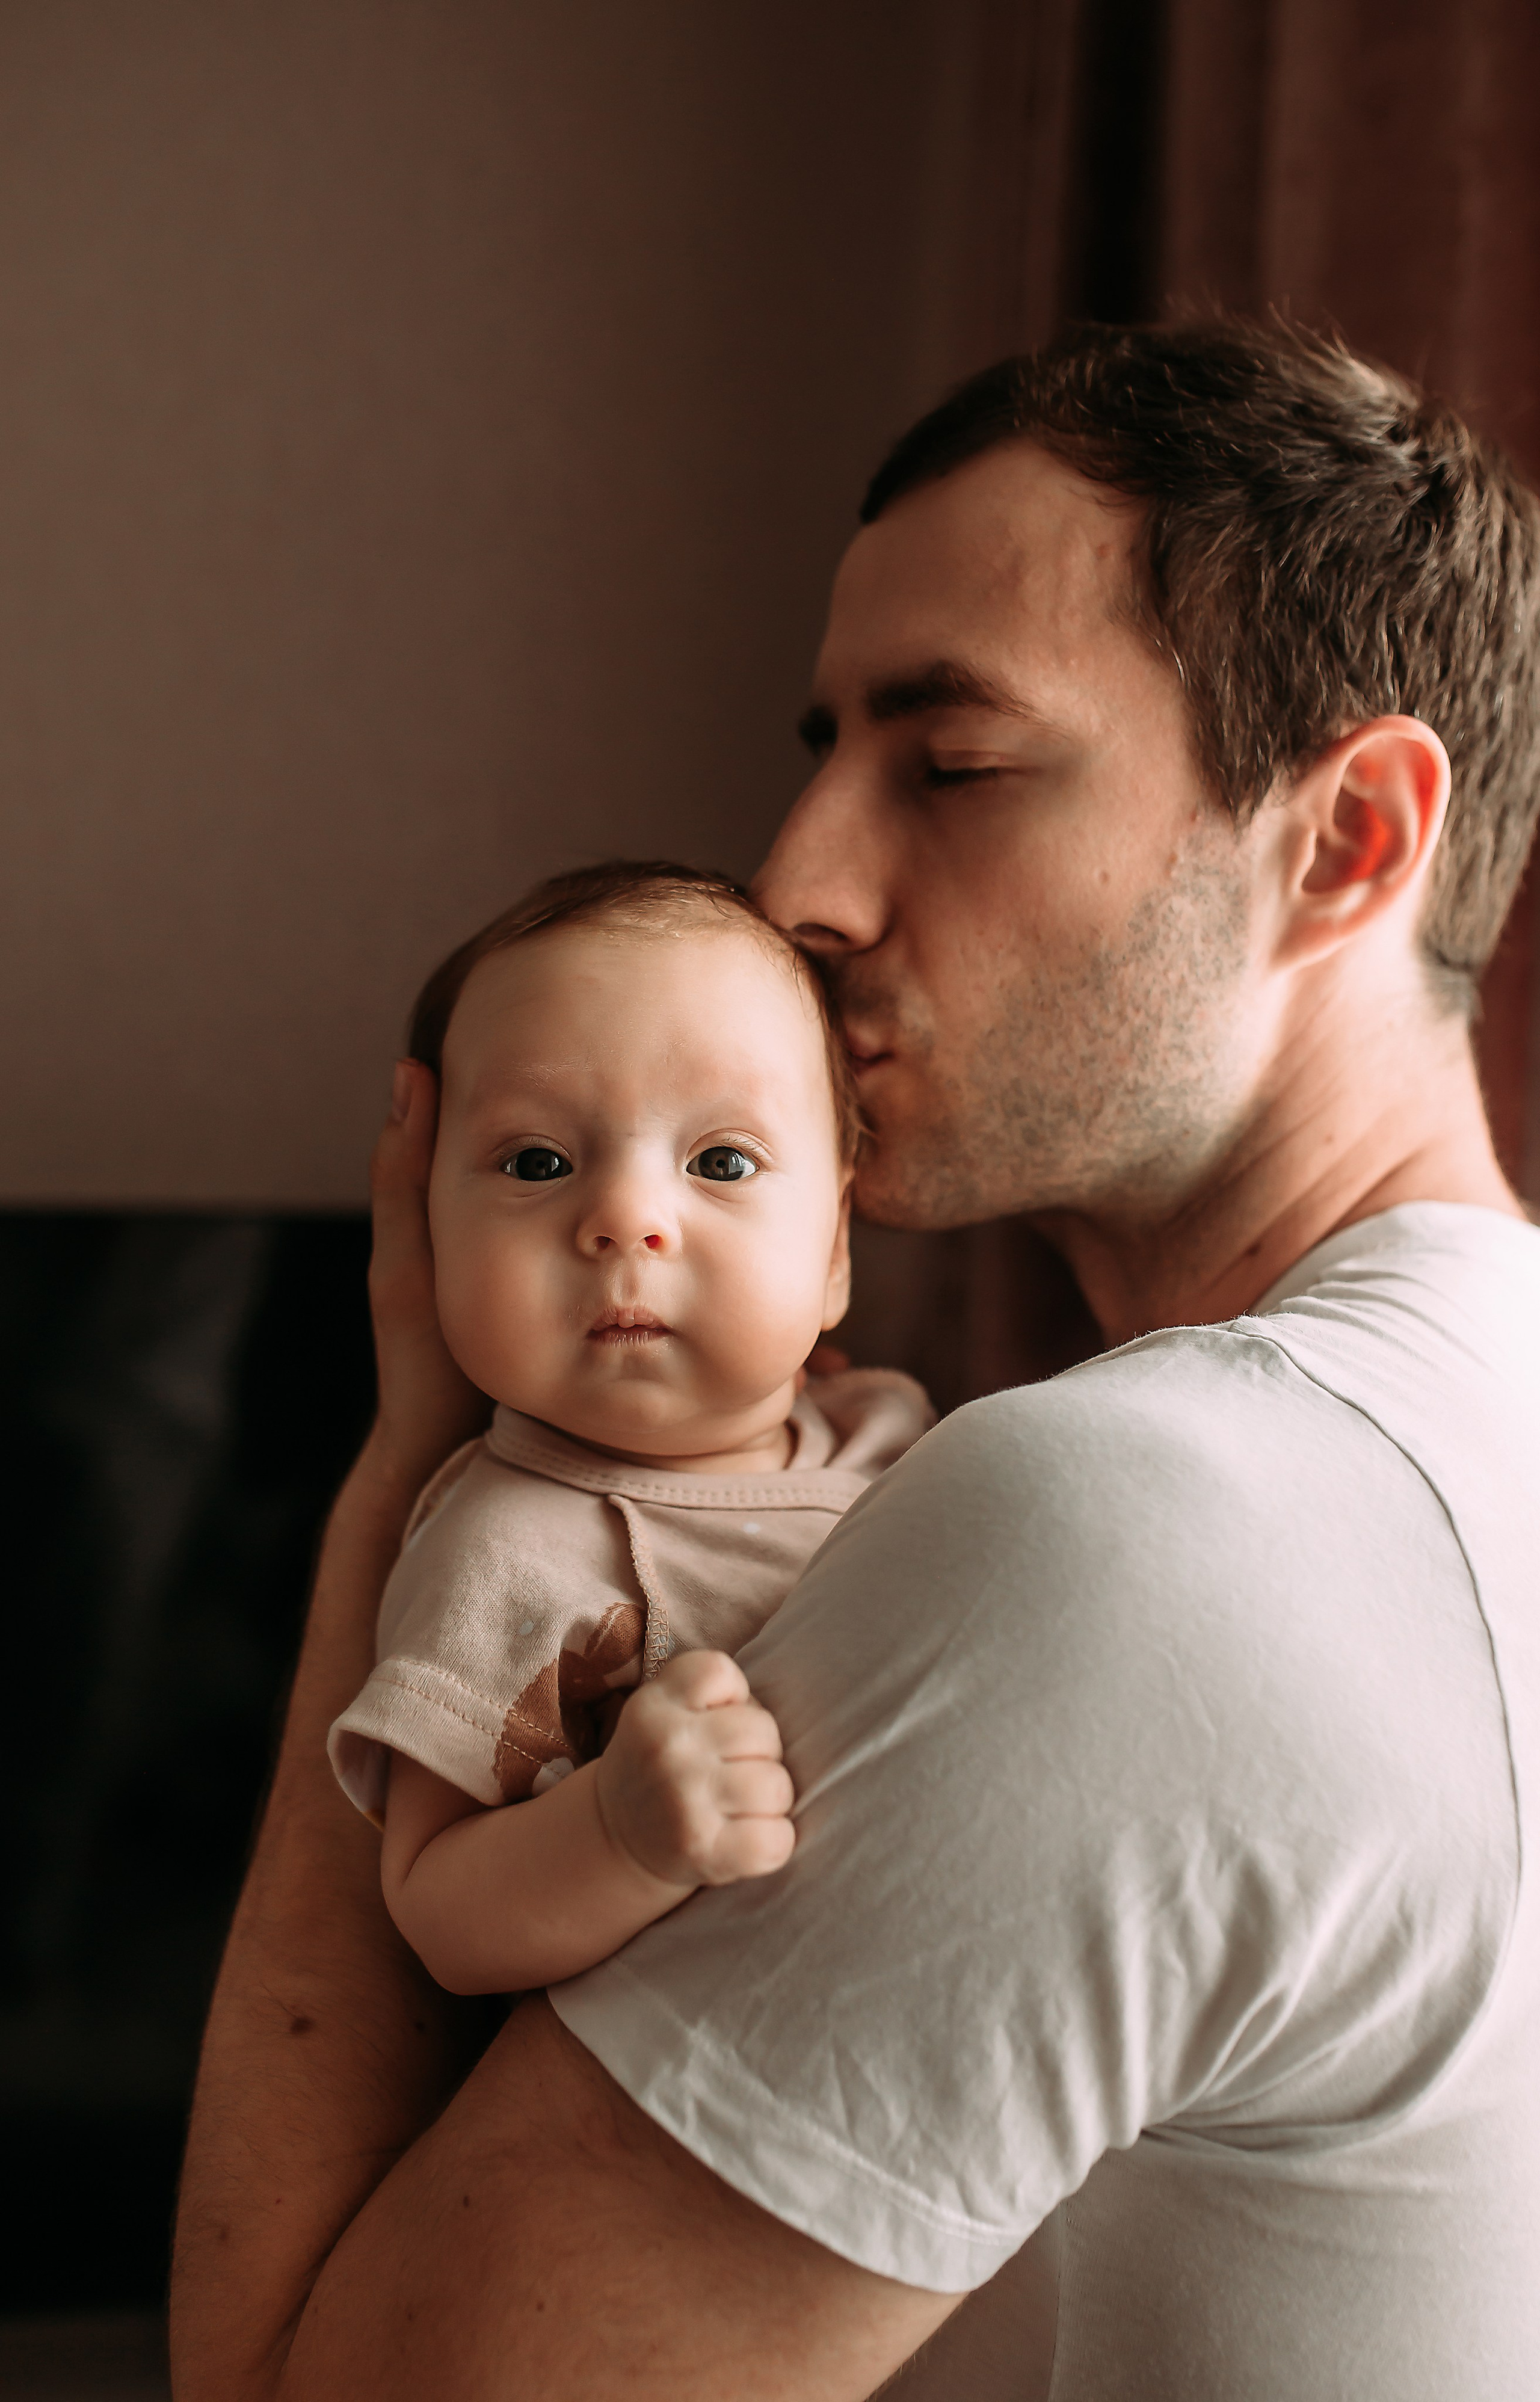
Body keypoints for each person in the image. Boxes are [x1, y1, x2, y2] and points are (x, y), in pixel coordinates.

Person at [171, 316, 1540, 2401]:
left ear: (1349, 835)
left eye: (955, 761)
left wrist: (426, 1466)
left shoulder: (1148, 1529)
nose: (794, 882)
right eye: (818, 748)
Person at [326, 861, 930, 1995]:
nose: (626, 1219)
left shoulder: (890, 1431)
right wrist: (616, 1835)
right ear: (430, 1230)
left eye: (722, 1161)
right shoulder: (512, 1549)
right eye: (539, 1162)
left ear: (837, 1245)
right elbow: (433, 1906)